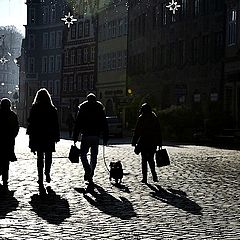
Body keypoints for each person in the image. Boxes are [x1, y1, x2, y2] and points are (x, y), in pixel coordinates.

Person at [73, 93, 108, 185]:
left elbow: (78, 123)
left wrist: (75, 136)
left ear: (87, 99)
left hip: (86, 135)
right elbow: (104, 123)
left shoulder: (83, 107)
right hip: (95, 136)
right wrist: (105, 137)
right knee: (94, 156)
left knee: (83, 154)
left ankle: (87, 169)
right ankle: (91, 172)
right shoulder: (100, 108)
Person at [27, 88, 60, 186]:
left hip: (38, 136)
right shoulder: (52, 109)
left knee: (39, 157)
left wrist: (31, 140)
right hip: (49, 136)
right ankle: (47, 173)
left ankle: (40, 177)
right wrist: (57, 136)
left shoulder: (34, 108)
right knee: (49, 156)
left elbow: (31, 124)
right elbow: (56, 124)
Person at [132, 103, 162, 183]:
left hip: (144, 141)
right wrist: (159, 142)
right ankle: (154, 175)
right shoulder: (154, 117)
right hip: (153, 141)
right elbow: (158, 130)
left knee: (144, 160)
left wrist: (134, 141)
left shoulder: (141, 118)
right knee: (151, 159)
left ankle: (144, 178)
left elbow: (137, 131)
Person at [0, 98, 19, 191]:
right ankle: (5, 179)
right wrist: (13, 136)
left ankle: (2, 176)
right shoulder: (12, 115)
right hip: (9, 141)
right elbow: (16, 128)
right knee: (6, 161)